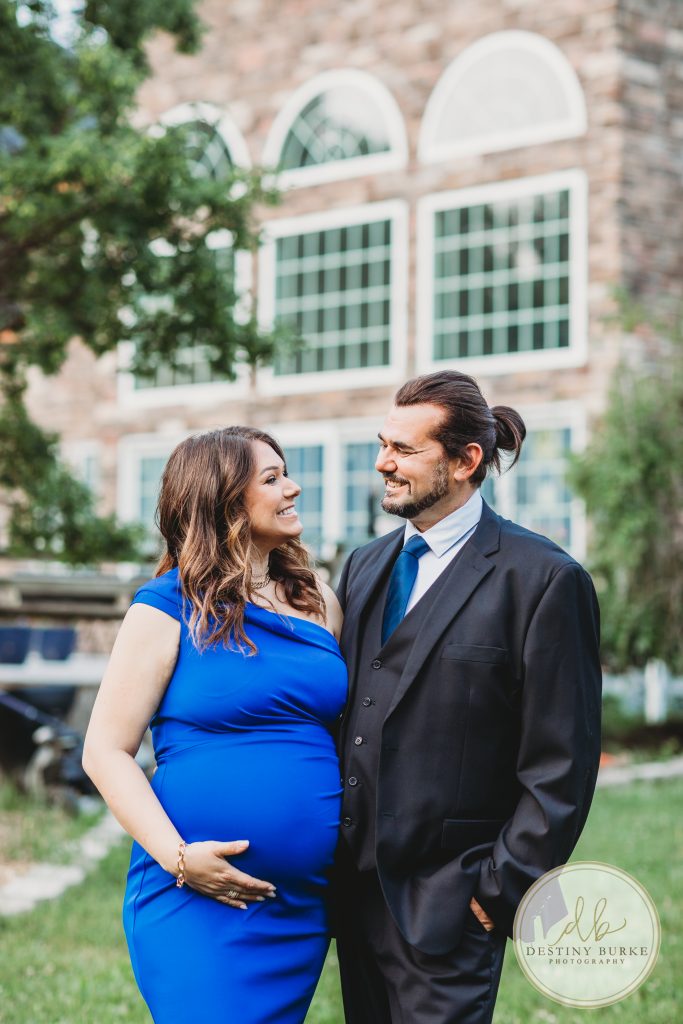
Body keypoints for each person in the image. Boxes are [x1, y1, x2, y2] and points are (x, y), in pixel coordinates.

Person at [334, 371, 602, 1024]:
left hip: (452, 905)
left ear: (465, 461)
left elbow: (561, 764)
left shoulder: (543, 579)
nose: (383, 462)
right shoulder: (363, 566)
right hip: (352, 899)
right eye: (382, 444)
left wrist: (497, 891)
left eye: (404, 449)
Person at [83, 426, 346, 1024]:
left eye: (286, 474)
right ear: (224, 501)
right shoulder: (164, 608)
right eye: (272, 479)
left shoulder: (319, 602)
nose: (293, 488)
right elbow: (104, 751)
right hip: (194, 897)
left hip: (299, 907)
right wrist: (178, 857)